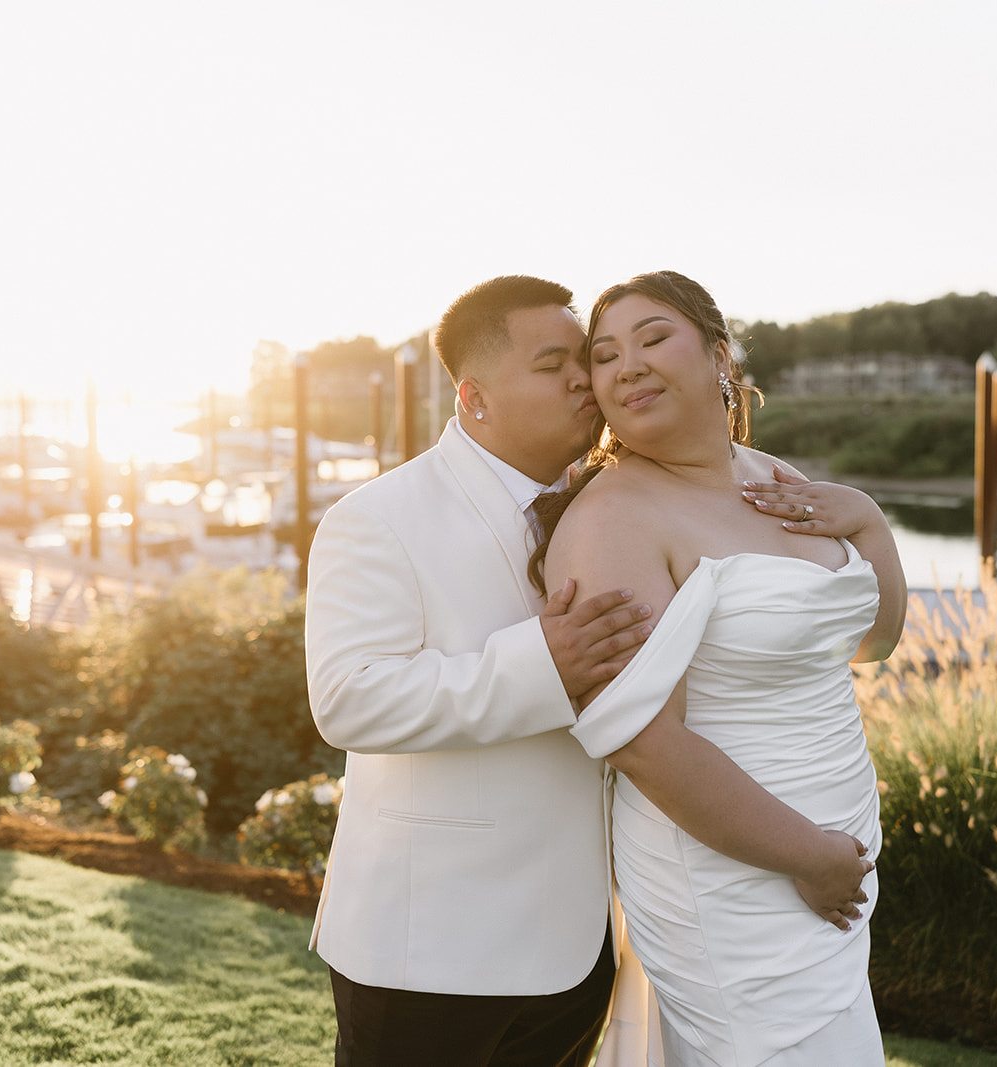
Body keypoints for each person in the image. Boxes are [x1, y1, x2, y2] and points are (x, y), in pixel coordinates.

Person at [306, 275, 886, 1066]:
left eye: (589, 359)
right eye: (560, 364)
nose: (590, 379)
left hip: (578, 947)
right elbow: (348, 700)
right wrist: (541, 663)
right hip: (429, 943)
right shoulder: (379, 516)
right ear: (474, 397)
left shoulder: (607, 494)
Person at [536, 270, 907, 1066]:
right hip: (729, 871)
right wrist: (805, 855)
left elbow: (871, 644)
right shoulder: (612, 519)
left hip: (834, 850)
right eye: (604, 355)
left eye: (653, 337)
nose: (627, 365)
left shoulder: (770, 477)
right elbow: (639, 739)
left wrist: (872, 525)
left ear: (718, 355)